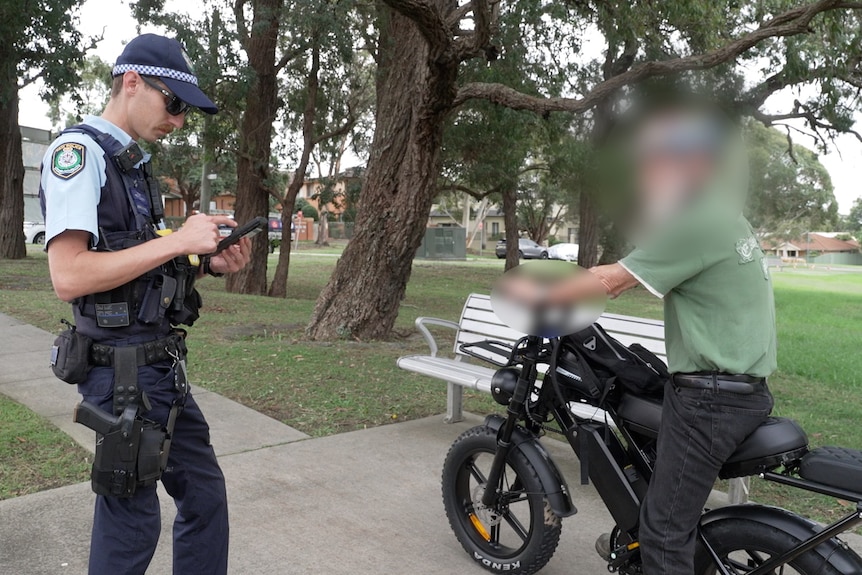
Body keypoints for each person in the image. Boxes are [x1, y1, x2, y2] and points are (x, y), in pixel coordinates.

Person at [512, 103, 776, 574]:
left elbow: (610, 281)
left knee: (664, 534)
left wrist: (534, 294)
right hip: (740, 391)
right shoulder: (724, 215)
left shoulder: (696, 221)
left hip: (709, 402)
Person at [39, 34, 251, 575]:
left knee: (205, 499)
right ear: (131, 82)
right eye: (174, 103)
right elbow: (70, 275)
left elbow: (136, 266)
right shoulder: (79, 154)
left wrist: (204, 262)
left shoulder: (134, 165)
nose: (178, 120)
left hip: (161, 369)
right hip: (122, 375)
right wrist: (179, 240)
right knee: (131, 523)